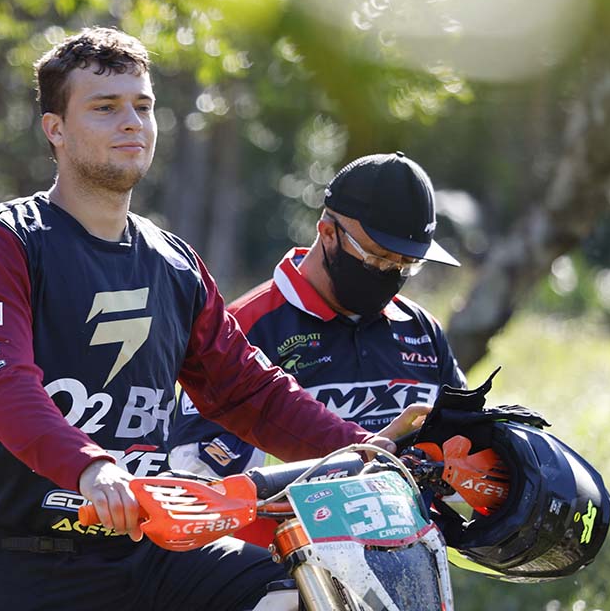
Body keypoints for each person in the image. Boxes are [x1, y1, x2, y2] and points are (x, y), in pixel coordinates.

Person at [0, 27, 426, 611]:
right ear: (56, 129)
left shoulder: (174, 263)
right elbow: (1, 384)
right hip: (29, 555)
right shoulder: (4, 243)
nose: (132, 122)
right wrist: (92, 471)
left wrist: (368, 450)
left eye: (143, 107)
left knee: (302, 593)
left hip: (156, 546)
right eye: (105, 108)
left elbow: (249, 392)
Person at [168, 151, 467, 545]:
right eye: (378, 258)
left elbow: (468, 449)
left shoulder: (421, 329)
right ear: (328, 233)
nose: (392, 275)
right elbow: (198, 483)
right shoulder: (242, 331)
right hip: (281, 578)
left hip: (411, 567)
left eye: (407, 265)